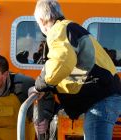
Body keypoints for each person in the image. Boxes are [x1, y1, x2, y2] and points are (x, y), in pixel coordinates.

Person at [31, 0, 121, 140]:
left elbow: (62, 62)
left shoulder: (58, 30)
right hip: (105, 97)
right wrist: (54, 88)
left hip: (101, 100)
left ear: (42, 21)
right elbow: (79, 70)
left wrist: (40, 85)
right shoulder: (71, 29)